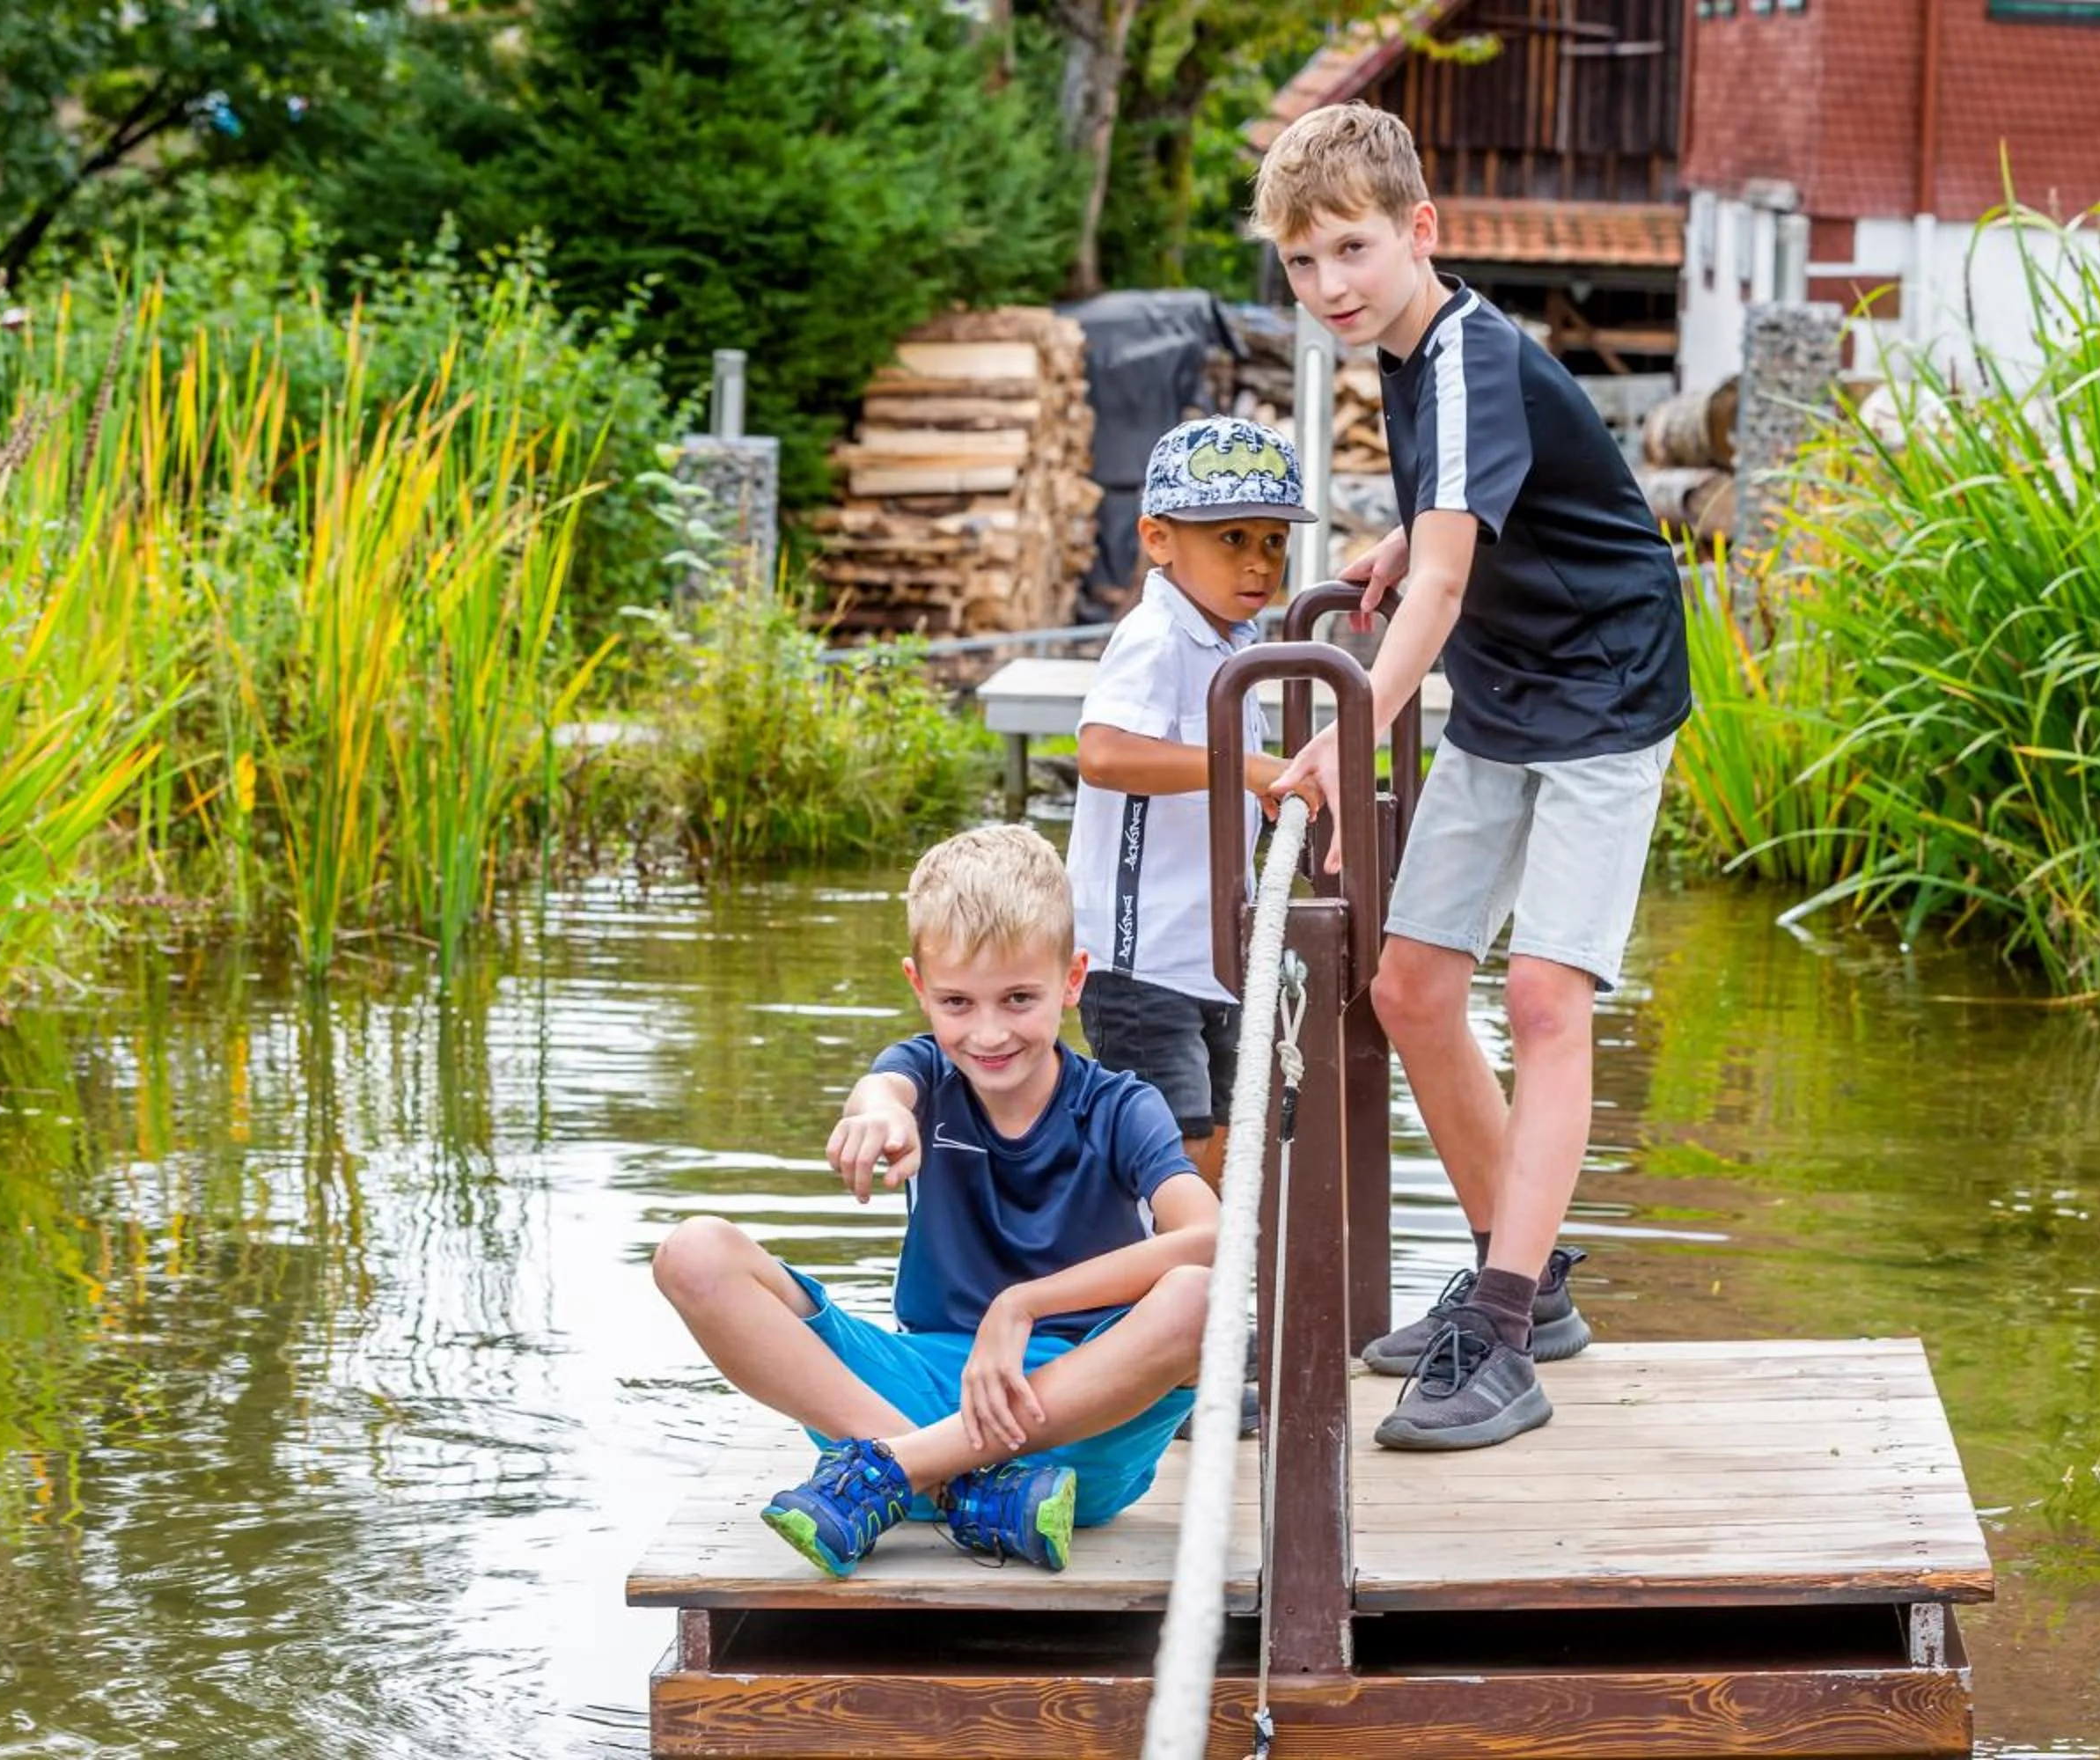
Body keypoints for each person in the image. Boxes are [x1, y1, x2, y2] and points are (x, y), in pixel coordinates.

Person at [1253, 102, 1692, 1451]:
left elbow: (1444, 580)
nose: (1328, 285)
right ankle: (1531, 1280)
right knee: (1411, 985)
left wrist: (1348, 724)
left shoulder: (1464, 354)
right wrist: (1397, 537)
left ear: (1420, 233)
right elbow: (1453, 529)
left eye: (1351, 249)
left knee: (1551, 994)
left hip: (1608, 688)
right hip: (1508, 684)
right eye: (1301, 262)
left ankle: (1501, 1332)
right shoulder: (1405, 350)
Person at [651, 825, 1219, 1577]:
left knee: (1200, 1298)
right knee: (692, 1253)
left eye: (1019, 998)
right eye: (957, 1001)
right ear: (919, 987)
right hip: (917, 1395)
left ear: (1073, 980)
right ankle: (964, 1489)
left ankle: (895, 1473)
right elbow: (882, 1089)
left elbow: (1209, 1236)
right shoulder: (921, 1075)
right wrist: (879, 1114)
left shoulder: (1120, 1105)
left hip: (1079, 1420)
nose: (988, 1032)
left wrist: (1019, 1307)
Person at [1068, 414, 1319, 1194]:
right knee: (1166, 1153)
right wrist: (1248, 770)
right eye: (1232, 538)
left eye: (1273, 541)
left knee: (1218, 1140)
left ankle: (1200, 1300)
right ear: (1158, 538)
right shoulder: (1156, 639)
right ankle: (1149, 1301)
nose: (1258, 563)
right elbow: (1103, 753)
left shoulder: (1230, 644)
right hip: (1138, 962)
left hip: (1208, 956)